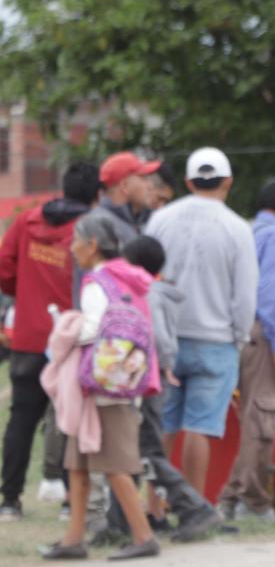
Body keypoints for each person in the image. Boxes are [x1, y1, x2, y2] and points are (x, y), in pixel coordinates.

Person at [41, 213, 160, 560]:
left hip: (100, 390)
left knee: (114, 466)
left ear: (92, 245)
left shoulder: (97, 282)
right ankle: (73, 539)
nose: (72, 248)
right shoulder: (128, 278)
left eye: (76, 241)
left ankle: (143, 536)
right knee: (78, 465)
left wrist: (67, 326)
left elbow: (95, 327)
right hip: (120, 382)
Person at [93, 236, 221, 545]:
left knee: (146, 451)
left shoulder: (147, 293)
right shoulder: (151, 291)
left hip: (147, 381)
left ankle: (194, 508)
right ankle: (118, 522)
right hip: (146, 379)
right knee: (130, 452)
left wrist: (163, 364)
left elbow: (159, 337)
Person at [146, 147, 257, 497]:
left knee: (163, 425)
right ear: (228, 182)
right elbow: (245, 295)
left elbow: (145, 276)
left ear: (187, 182)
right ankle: (194, 506)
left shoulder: (161, 219)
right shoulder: (237, 227)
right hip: (216, 340)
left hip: (166, 337)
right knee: (200, 426)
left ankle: (155, 508)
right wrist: (239, 338)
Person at [0, 163, 99, 521]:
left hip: (28, 336)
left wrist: (26, 296)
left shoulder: (26, 222)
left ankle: (9, 501)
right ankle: (70, 503)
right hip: (71, 338)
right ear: (97, 194)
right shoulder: (90, 230)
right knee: (74, 419)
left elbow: (4, 268)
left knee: (21, 419)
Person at [218, 178, 275, 522]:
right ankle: (253, 500)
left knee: (246, 417)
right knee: (263, 417)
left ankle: (232, 495)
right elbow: (270, 295)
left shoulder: (249, 232)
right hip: (264, 334)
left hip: (239, 332)